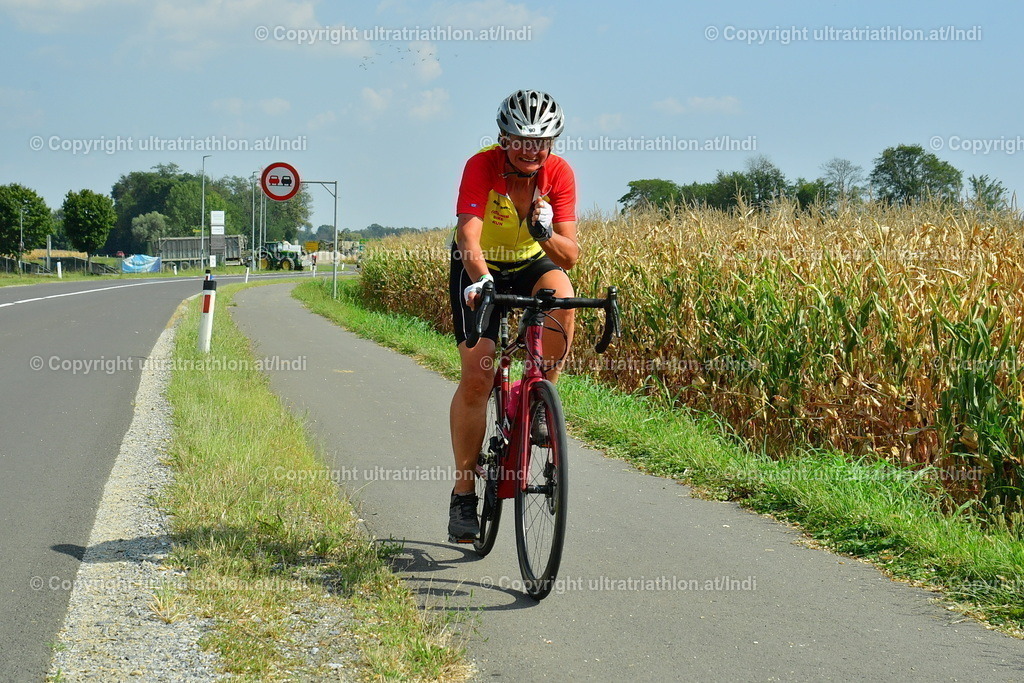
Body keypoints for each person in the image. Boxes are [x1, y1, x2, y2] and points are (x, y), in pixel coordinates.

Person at [448, 89, 579, 542]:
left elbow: (570, 254)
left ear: (552, 143)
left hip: (528, 262)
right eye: (520, 140)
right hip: (479, 264)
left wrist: (543, 231)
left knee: (563, 297)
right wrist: (481, 281)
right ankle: (464, 492)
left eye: (540, 141)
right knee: (478, 377)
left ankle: (542, 398)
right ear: (504, 139)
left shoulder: (559, 174)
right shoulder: (480, 166)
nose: (530, 150)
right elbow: (468, 238)